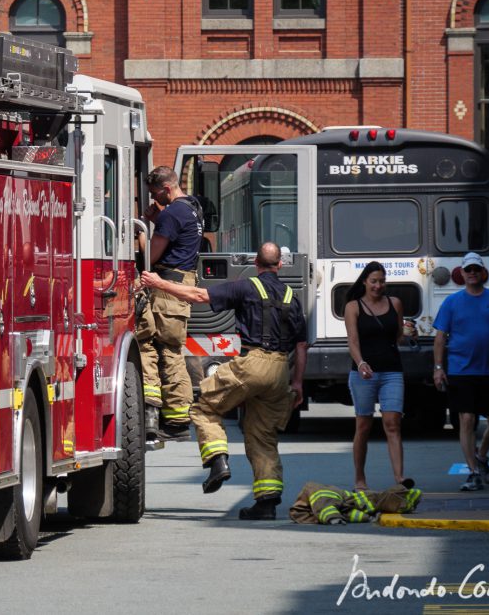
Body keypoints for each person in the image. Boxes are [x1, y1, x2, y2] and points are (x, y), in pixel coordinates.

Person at [141, 242, 307, 520]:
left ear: (256, 263)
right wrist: (298, 383)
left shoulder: (246, 286)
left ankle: (218, 460)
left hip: (252, 363)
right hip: (281, 372)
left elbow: (197, 294)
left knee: (205, 408)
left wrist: (159, 283)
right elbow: (301, 347)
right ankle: (267, 503)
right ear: (280, 265)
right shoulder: (292, 296)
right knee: (262, 435)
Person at [433, 251, 489, 492]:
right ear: (462, 273)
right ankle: (472, 472)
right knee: (466, 419)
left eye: (475, 269)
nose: (472, 273)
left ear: (483, 273)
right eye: (468, 270)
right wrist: (438, 368)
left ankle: (481, 456)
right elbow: (440, 337)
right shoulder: (451, 302)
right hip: (461, 370)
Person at [135, 166, 204, 441]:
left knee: (150, 344)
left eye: (155, 194)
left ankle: (155, 415)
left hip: (165, 288)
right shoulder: (193, 207)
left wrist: (142, 229)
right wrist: (159, 219)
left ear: (166, 188)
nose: (154, 199)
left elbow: (151, 255)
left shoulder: (172, 214)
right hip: (180, 286)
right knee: (172, 350)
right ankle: (175, 420)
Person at [344, 261, 413, 490]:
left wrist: (409, 333)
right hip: (364, 373)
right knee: (363, 426)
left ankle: (400, 478)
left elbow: (398, 337)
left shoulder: (395, 303)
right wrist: (361, 362)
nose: (378, 285)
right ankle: (359, 478)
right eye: (373, 281)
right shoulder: (354, 307)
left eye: (382, 281)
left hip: (392, 371)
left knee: (393, 423)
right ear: (365, 281)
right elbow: (352, 341)